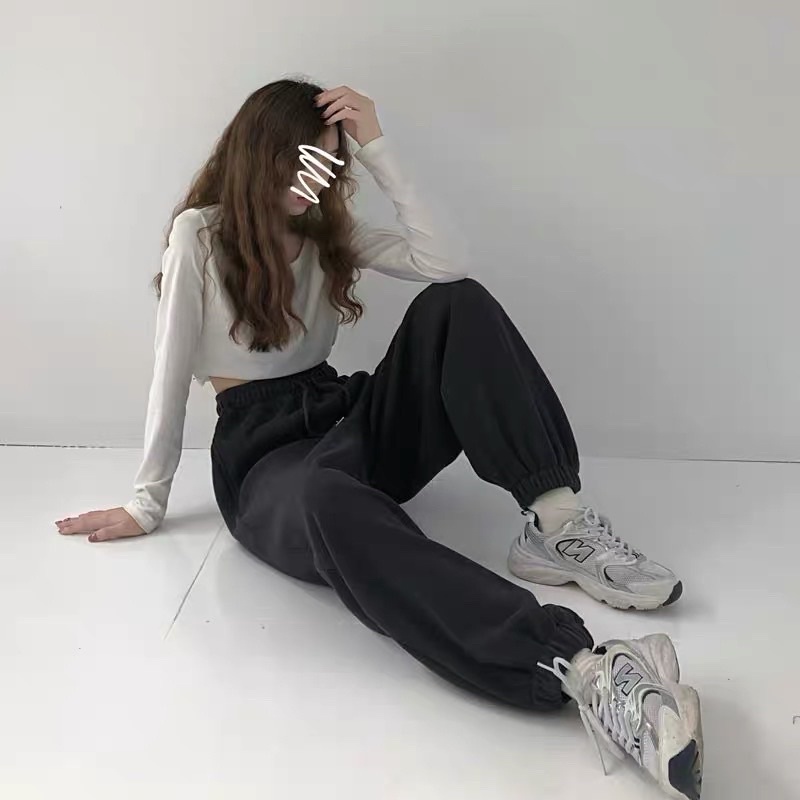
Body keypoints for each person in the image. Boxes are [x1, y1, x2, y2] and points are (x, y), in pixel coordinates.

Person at [55, 78, 703, 799]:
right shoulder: (199, 235)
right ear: (262, 151)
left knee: (456, 303)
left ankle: (556, 524)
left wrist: (377, 146)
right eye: (305, 159)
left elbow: (447, 263)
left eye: (330, 162)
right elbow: (168, 370)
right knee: (325, 495)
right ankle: (577, 668)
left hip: (347, 418)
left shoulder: (327, 234)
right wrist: (146, 502)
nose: (317, 178)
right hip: (266, 462)